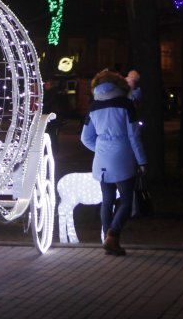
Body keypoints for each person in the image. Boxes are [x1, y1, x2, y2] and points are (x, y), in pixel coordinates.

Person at [81, 69, 146, 257]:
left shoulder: (93, 107)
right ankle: (113, 235)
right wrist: (142, 161)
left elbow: (85, 138)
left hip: (101, 159)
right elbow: (134, 136)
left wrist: (101, 150)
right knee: (127, 200)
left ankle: (109, 240)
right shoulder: (126, 105)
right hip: (122, 156)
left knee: (107, 200)